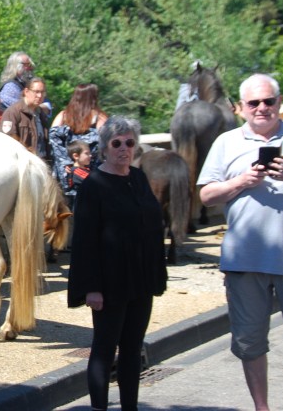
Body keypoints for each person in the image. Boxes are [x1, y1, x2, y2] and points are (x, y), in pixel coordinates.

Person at [198, 73, 283, 411]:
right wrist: (241, 181)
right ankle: (262, 409)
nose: (262, 108)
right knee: (250, 343)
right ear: (240, 108)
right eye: (253, 103)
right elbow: (207, 195)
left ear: (279, 103)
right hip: (244, 262)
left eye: (269, 101)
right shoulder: (226, 142)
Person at [68, 115, 168, 411]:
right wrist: (92, 288)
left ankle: (129, 408)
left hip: (140, 278)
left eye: (129, 142)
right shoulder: (93, 185)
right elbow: (85, 242)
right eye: (116, 143)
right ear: (105, 147)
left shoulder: (137, 178)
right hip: (109, 283)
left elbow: (150, 225)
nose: (124, 148)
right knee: (104, 348)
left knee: (132, 349)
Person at [49, 83, 108, 196]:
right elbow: (106, 142)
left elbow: (53, 138)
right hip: (91, 174)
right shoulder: (100, 118)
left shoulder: (63, 116)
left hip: (66, 174)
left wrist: (67, 162)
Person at [0, 76, 50, 161]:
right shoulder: (13, 112)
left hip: (41, 163)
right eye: (36, 92)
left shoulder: (41, 114)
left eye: (42, 92)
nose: (40, 96)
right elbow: (8, 142)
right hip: (23, 164)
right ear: (26, 92)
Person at [64, 140, 92, 209]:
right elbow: (94, 182)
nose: (90, 155)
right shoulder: (76, 171)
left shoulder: (85, 169)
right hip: (83, 207)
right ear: (76, 156)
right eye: (86, 153)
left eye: (90, 153)